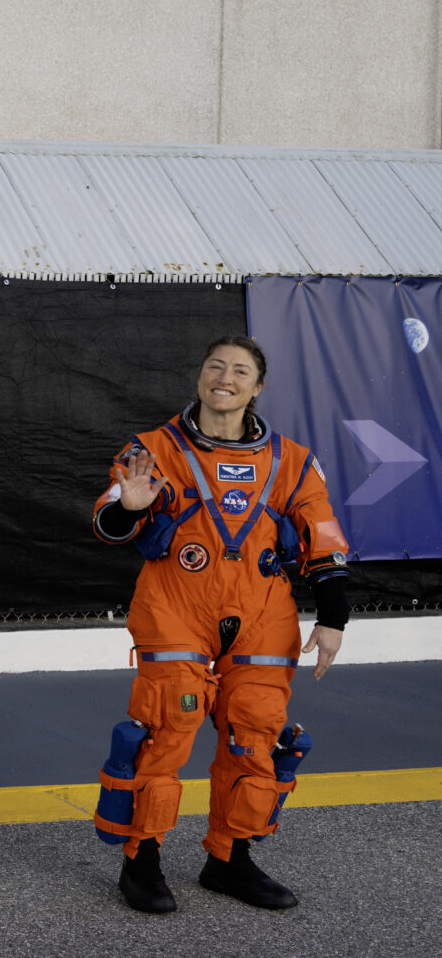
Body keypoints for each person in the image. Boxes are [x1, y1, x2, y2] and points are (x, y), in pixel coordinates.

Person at [90, 335, 350, 914]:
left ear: (257, 388)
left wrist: (333, 619)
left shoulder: (293, 461)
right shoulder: (152, 450)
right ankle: (143, 859)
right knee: (166, 731)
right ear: (200, 377)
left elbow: (324, 542)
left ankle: (229, 860)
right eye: (215, 366)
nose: (224, 378)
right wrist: (129, 507)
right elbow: (108, 526)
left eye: (240, 371)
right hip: (176, 607)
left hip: (263, 613)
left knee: (253, 736)